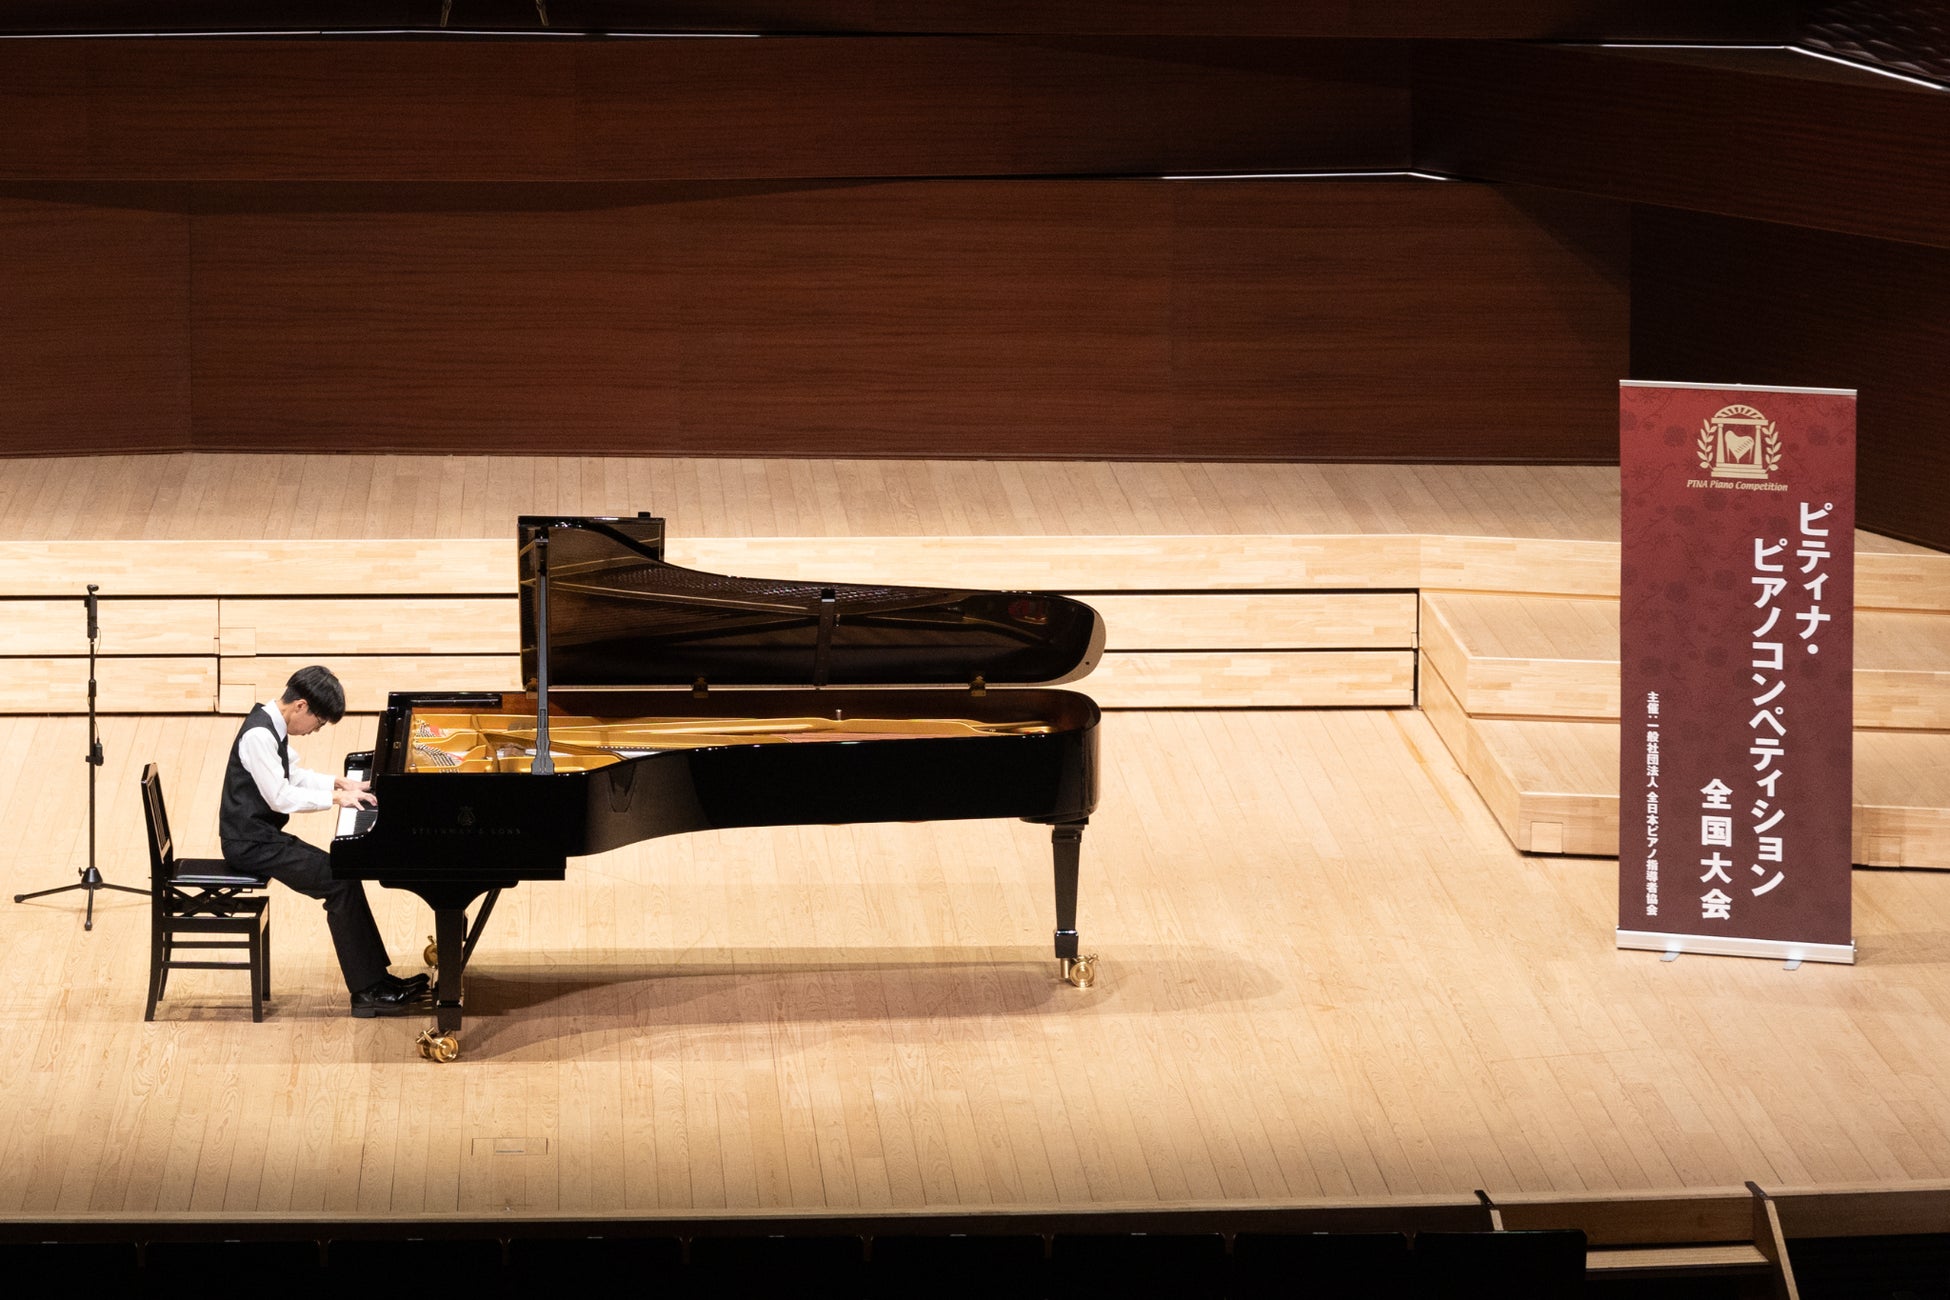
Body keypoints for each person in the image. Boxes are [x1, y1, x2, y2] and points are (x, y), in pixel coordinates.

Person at [219, 665, 428, 1017]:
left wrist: (339, 783)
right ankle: (366, 991)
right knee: (338, 881)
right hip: (250, 844)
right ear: (301, 706)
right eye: (319, 722)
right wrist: (335, 799)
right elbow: (281, 797)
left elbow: (292, 774)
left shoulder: (271, 724)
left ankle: (378, 980)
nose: (315, 730)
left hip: (262, 837)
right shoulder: (259, 735)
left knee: (343, 875)